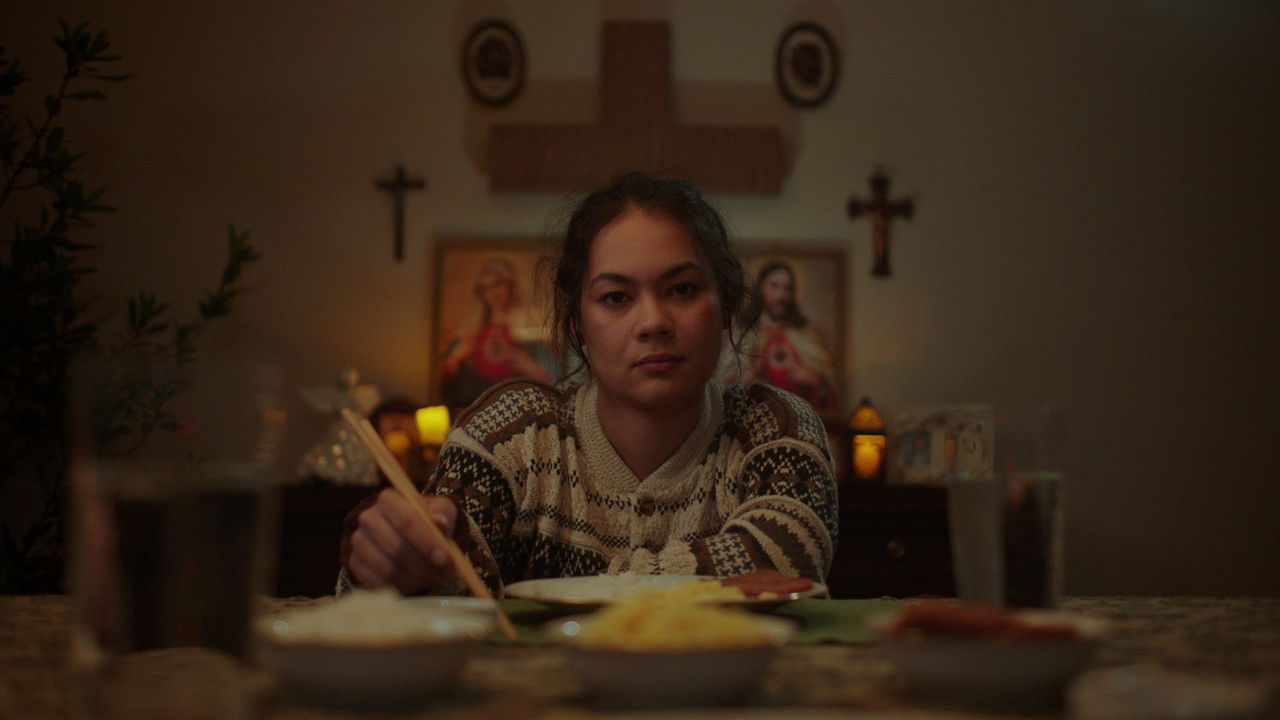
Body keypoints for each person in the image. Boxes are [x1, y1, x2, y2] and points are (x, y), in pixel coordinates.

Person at [340, 172, 838, 597]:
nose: (653, 322)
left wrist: (528, 590)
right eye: (616, 297)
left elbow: (780, 562)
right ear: (578, 322)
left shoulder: (774, 426)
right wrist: (399, 563)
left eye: (682, 289)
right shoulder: (512, 433)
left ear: (725, 304)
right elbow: (431, 567)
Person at [438, 257, 555, 408]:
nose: (493, 292)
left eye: (497, 284)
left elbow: (552, 379)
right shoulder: (472, 328)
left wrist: (529, 365)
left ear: (510, 284)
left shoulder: (531, 325)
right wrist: (457, 358)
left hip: (518, 404)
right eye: (485, 288)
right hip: (480, 404)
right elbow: (448, 372)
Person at [730, 261, 837, 412]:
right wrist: (750, 374)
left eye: (787, 288)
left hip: (798, 418)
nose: (781, 295)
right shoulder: (743, 334)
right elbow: (725, 388)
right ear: (760, 289)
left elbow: (826, 391)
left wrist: (812, 379)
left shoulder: (806, 336)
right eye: (774, 286)